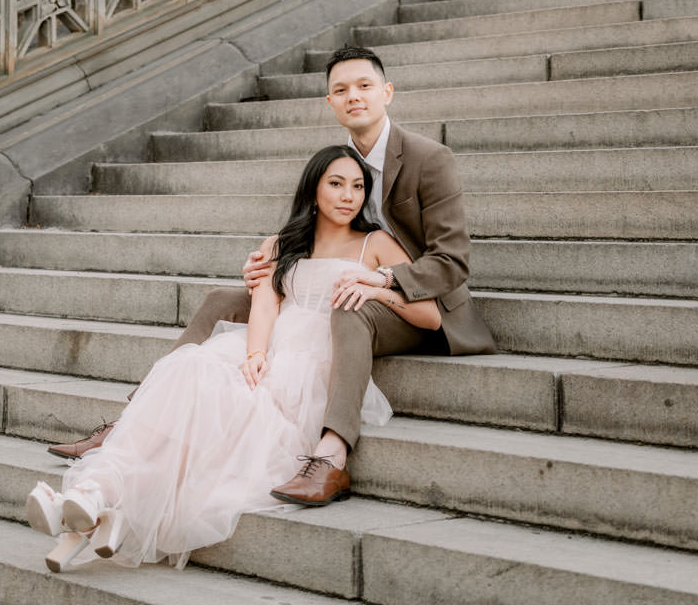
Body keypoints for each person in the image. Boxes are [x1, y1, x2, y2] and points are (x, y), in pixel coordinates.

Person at [48, 44, 496, 507]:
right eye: (340, 90)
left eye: (364, 86)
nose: (353, 97)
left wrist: (381, 281)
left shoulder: (429, 158)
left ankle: (331, 457)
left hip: (415, 300)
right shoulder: (340, 161)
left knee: (348, 306)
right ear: (329, 102)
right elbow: (308, 239)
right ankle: (137, 419)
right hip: (345, 279)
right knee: (224, 302)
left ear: (387, 92)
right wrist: (272, 266)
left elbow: (452, 261)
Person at [25, 144, 439, 572]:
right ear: (314, 189)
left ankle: (98, 501)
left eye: (357, 186)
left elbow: (429, 316)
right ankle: (92, 495)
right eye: (336, 184)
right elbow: (265, 304)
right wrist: (256, 353)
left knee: (222, 432)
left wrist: (377, 289)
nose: (348, 195)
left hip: (312, 363)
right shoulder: (282, 243)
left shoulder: (377, 244)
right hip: (272, 345)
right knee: (191, 369)